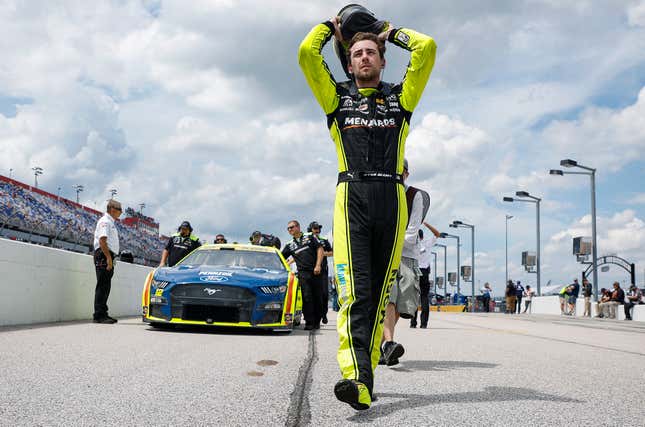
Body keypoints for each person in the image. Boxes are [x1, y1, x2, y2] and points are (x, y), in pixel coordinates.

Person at [299, 10, 436, 410]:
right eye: (356, 53)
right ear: (348, 60)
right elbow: (308, 54)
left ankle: (366, 374)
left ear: (381, 59)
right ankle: (356, 377)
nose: (363, 58)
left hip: (391, 197)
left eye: (371, 52)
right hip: (352, 195)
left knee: (378, 295)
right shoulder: (335, 97)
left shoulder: (401, 98)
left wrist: (387, 31)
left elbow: (426, 49)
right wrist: (332, 27)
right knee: (355, 292)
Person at [382, 160, 430, 365]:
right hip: (386, 255)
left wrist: (388, 239)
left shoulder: (414, 195)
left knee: (405, 304)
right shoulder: (383, 194)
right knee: (389, 299)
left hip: (408, 255)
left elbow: (411, 234)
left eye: (399, 172)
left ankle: (382, 343)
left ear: (406, 174)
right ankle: (388, 344)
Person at [281, 220, 324, 330]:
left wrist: (318, 265)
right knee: (307, 297)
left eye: (292, 227)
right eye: (288, 228)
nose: (290, 230)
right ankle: (309, 322)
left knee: (318, 297)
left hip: (316, 271)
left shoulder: (310, 237)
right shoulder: (290, 245)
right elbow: (281, 258)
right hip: (303, 274)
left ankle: (317, 321)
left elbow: (320, 249)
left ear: (298, 227)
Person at [92, 199, 122, 324]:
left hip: (107, 255)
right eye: (120, 210)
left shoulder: (110, 222)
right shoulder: (105, 221)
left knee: (106, 286)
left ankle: (103, 313)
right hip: (104, 255)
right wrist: (108, 258)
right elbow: (102, 241)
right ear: (113, 209)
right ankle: (99, 315)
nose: (121, 212)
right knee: (103, 285)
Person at [411, 222, 440, 327]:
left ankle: (413, 323)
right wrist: (426, 224)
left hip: (414, 272)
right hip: (424, 272)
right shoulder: (427, 243)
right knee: (424, 297)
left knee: (414, 297)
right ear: (423, 236)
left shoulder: (412, 246)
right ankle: (424, 324)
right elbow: (437, 233)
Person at [308, 221, 333, 324]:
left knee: (324, 294)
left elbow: (332, 252)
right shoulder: (307, 241)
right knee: (312, 294)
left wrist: (321, 253)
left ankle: (324, 314)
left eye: (318, 228)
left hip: (323, 271)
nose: (317, 230)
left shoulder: (324, 240)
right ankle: (314, 316)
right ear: (310, 230)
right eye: (315, 228)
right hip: (310, 271)